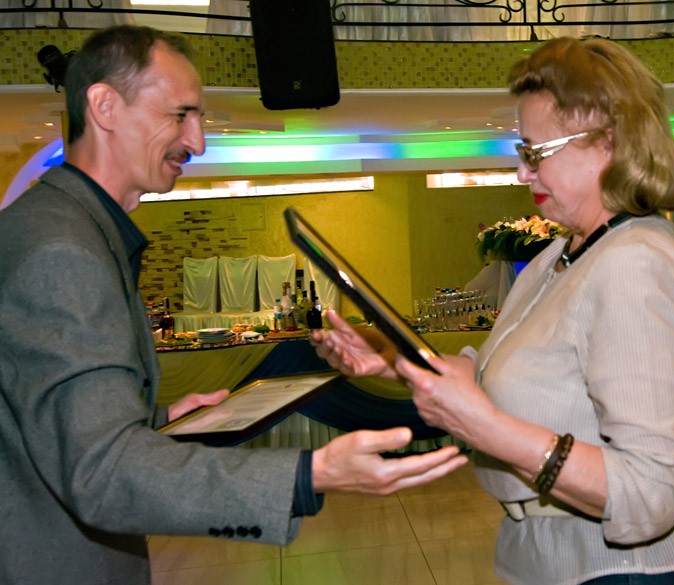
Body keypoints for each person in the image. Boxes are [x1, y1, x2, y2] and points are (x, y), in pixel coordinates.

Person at [0, 25, 467, 585]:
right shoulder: (62, 250)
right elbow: (99, 472)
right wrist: (308, 474)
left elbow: (45, 424)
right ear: (104, 106)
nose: (198, 142)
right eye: (181, 115)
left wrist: (156, 422)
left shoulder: (63, 228)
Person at [311, 37, 674, 585]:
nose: (523, 173)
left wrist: (488, 429)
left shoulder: (632, 265)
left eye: (535, 152)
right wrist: (397, 359)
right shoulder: (564, 251)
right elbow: (500, 374)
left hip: (623, 570)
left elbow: (652, 495)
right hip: (554, 555)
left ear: (608, 141)